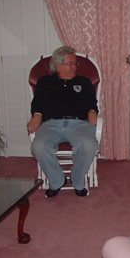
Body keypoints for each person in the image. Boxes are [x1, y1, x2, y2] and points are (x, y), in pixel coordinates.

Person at [27, 46, 99, 198]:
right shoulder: (45, 81)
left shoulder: (84, 82)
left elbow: (92, 103)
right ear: (58, 66)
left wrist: (93, 112)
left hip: (79, 124)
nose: (74, 67)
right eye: (70, 64)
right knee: (38, 146)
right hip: (50, 124)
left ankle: (78, 181)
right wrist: (37, 115)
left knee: (89, 145)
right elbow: (37, 104)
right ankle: (57, 180)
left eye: (75, 64)